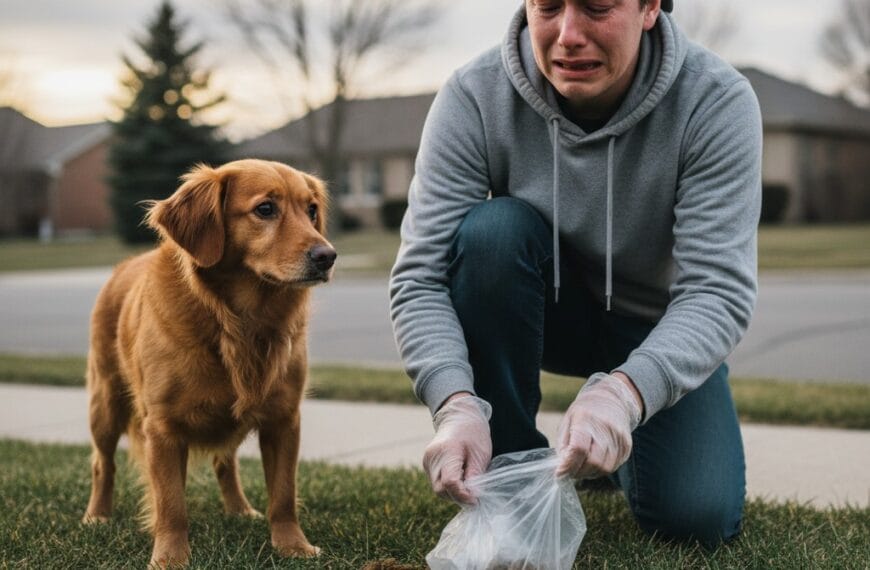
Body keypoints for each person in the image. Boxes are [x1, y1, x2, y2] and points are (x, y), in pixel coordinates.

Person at [389, 0, 761, 548]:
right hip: (543, 312)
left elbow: (717, 291)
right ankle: (510, 474)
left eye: (597, 6)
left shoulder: (716, 100)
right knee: (492, 233)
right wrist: (456, 403)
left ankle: (608, 441)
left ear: (650, 7)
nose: (567, 34)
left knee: (694, 518)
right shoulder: (474, 94)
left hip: (654, 325)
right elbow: (420, 278)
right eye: (547, 6)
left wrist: (626, 396)